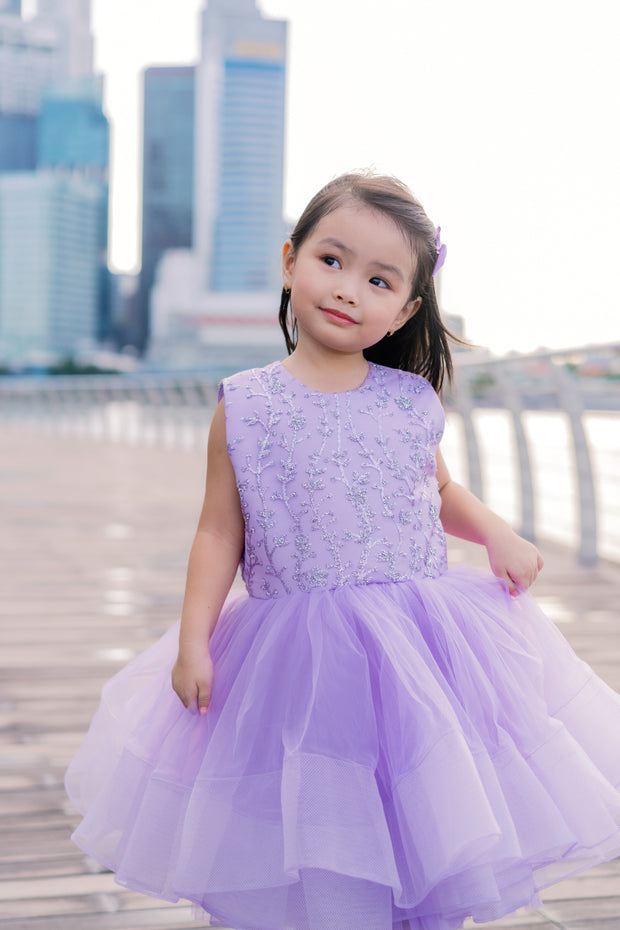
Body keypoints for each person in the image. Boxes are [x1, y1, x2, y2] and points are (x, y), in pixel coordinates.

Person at [65, 172, 620, 930]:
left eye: (379, 279)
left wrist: (497, 533)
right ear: (290, 260)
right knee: (318, 823)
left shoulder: (409, 400)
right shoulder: (247, 402)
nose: (349, 288)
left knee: (425, 813)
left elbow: (439, 493)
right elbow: (219, 531)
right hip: (298, 656)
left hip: (422, 646)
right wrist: (194, 641)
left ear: (407, 308)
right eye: (332, 260)